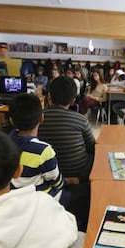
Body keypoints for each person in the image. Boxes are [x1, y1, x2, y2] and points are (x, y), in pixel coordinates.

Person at [38, 76, 95, 231]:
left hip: (46, 176)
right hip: (77, 174)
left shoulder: (37, 118)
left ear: (49, 96)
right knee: (95, 155)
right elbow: (91, 147)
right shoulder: (80, 120)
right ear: (73, 100)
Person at [8, 93, 79, 201]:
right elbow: (56, 182)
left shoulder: (5, 142)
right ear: (42, 118)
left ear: (11, 121)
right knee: (82, 195)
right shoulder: (43, 150)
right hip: (41, 200)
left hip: (15, 197)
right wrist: (66, 181)